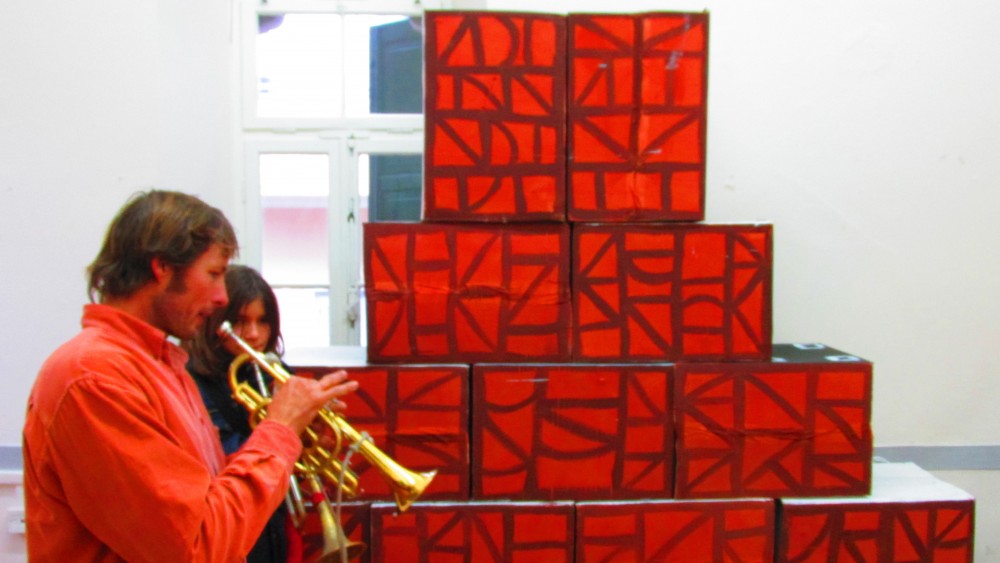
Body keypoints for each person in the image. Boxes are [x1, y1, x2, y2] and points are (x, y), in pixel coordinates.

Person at [22, 190, 359, 562]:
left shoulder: (161, 366)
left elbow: (204, 500)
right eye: (214, 274)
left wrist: (295, 441)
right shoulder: (95, 377)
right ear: (162, 268)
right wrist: (280, 428)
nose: (222, 297)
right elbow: (195, 546)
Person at [185, 265, 301, 563]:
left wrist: (312, 438)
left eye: (263, 322)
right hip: (225, 529)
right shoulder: (192, 380)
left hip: (273, 527)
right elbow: (220, 458)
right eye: (239, 322)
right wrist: (283, 426)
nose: (253, 334)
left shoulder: (277, 373)